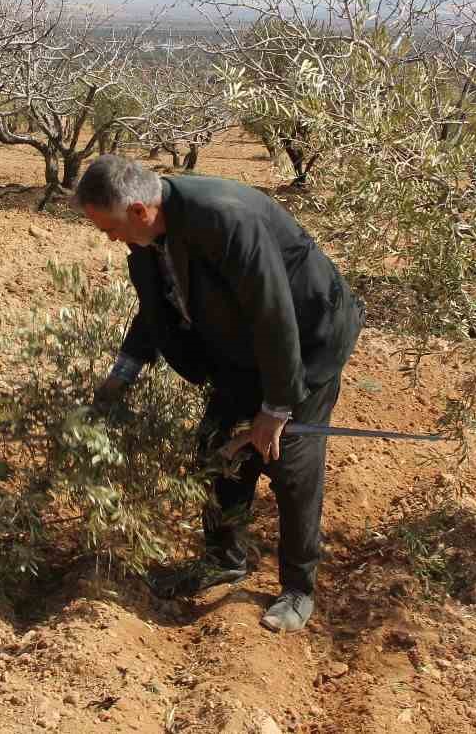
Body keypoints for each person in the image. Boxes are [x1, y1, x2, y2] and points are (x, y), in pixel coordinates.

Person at [74, 154, 364, 633]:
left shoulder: (228, 220)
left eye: (110, 228)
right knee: (216, 447)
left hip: (307, 344)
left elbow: (274, 314)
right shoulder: (151, 238)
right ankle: (222, 559)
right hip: (239, 349)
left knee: (289, 460)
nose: (110, 239)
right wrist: (120, 377)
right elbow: (157, 310)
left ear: (140, 211)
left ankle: (298, 587)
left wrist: (275, 407)